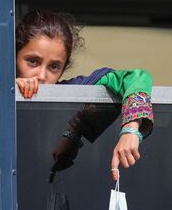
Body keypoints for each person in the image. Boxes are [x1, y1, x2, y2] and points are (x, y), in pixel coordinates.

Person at [15, 10, 153, 182]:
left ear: (64, 68)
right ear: (14, 58)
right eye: (33, 61)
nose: (42, 75)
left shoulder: (72, 91)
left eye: (54, 67)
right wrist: (12, 89)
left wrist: (130, 129)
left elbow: (138, 77)